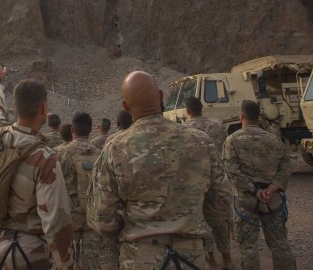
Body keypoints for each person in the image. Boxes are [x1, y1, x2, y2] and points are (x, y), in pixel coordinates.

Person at [87, 71, 231, 269]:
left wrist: (133, 232)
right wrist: (193, 223)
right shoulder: (201, 142)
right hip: (192, 257)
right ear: (161, 97)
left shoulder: (115, 149)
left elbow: (102, 219)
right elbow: (222, 201)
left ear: (125, 106)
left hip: (139, 258)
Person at [0, 56, 74, 269]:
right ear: (44, 109)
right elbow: (56, 222)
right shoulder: (44, 157)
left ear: (14, 106)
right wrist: (66, 264)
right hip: (26, 255)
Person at [223, 100, 295, 270]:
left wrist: (254, 190)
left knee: (248, 247)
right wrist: (272, 188)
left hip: (246, 201)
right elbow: (286, 167)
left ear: (241, 115)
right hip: (272, 199)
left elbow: (231, 170)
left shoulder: (232, 141)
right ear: (258, 116)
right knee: (279, 243)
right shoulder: (274, 140)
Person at [182, 97, 232, 268]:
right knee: (220, 220)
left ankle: (210, 258)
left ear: (187, 111)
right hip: (218, 178)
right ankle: (227, 257)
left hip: (196, 183)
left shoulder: (183, 130)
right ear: (202, 108)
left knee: (202, 220)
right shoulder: (218, 125)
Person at [56, 112, 101, 270]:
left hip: (69, 220)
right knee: (92, 261)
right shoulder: (100, 154)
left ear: (72, 130)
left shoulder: (61, 153)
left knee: (66, 262)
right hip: (93, 218)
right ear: (90, 130)